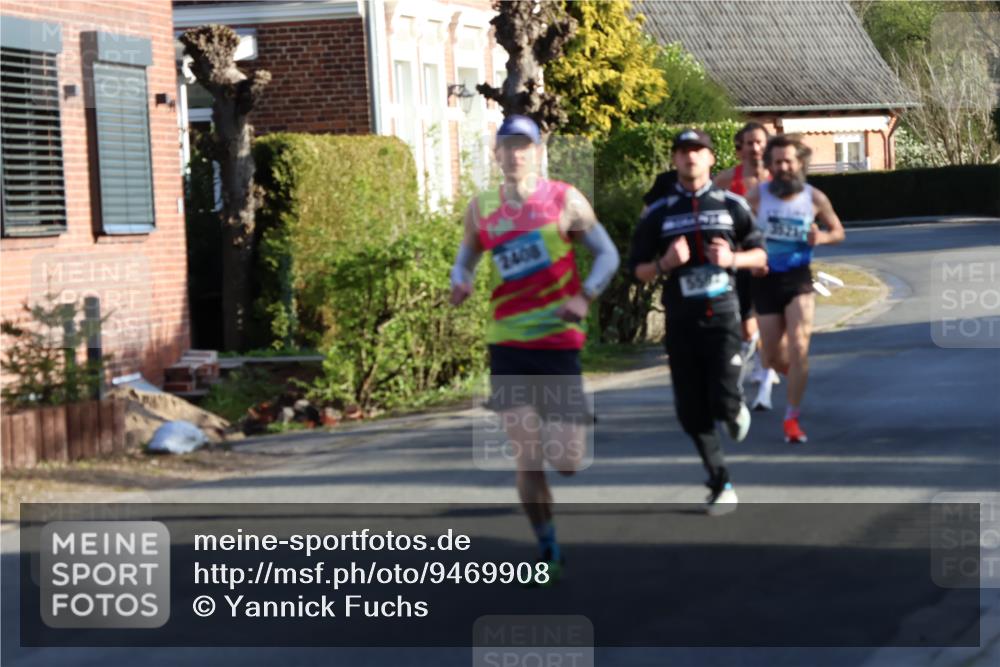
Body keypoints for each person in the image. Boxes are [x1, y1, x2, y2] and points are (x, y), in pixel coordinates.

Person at [449, 114, 620, 579]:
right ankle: (547, 545)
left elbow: (607, 253)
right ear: (496, 153)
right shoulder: (482, 208)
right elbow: (465, 258)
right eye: (507, 145)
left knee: (565, 462)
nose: (515, 153)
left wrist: (584, 296)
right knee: (527, 458)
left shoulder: (564, 200)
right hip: (508, 344)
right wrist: (460, 280)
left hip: (558, 343)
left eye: (524, 145)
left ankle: (567, 425)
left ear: (537, 151)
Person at [629, 128, 767, 515]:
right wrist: (664, 264)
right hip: (681, 319)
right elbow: (636, 270)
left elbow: (760, 257)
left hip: (723, 314)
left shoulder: (732, 205)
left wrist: (733, 261)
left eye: (697, 151)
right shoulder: (659, 213)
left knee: (722, 401)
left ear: (710, 158)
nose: (690, 158)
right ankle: (720, 482)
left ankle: (733, 404)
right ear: (674, 160)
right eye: (683, 152)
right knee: (690, 410)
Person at [746, 134, 845, 443]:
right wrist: (750, 260)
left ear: (800, 163)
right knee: (773, 358)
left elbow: (838, 231)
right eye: (777, 162)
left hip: (799, 278)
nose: (783, 167)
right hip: (765, 279)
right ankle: (796, 378)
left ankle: (791, 418)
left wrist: (822, 238)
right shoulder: (757, 196)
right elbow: (740, 233)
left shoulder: (814, 198)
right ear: (770, 166)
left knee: (800, 347)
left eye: (789, 161)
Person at [714, 122, 781, 410]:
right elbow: (709, 209)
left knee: (769, 316)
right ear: (739, 148)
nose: (755, 148)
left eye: (760, 142)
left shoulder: (779, 177)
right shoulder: (727, 179)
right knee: (745, 322)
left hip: (774, 257)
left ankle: (766, 371)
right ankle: (759, 355)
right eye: (750, 143)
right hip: (740, 258)